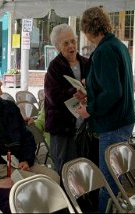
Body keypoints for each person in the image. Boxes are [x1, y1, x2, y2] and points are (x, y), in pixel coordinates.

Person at [76, 6, 135, 213]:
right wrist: (90, 91)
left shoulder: (104, 50)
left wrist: (90, 108)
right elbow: (113, 85)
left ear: (87, 30)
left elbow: (112, 92)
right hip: (121, 121)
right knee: (114, 180)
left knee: (108, 184)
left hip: (113, 124)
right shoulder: (116, 45)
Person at [44, 23, 90, 175]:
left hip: (84, 125)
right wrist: (74, 91)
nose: (71, 46)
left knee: (83, 166)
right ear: (57, 46)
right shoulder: (54, 67)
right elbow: (52, 96)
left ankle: (83, 198)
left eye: (73, 41)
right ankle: (65, 198)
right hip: (62, 126)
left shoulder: (86, 63)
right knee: (64, 167)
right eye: (66, 43)